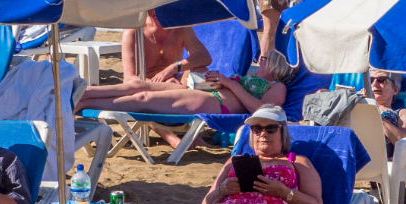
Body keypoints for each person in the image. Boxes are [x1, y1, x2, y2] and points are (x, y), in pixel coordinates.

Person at [78, 49, 293, 148]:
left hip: (216, 104)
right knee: (138, 85)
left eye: (264, 58)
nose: (259, 59)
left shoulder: (277, 86)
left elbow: (261, 111)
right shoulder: (249, 77)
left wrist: (230, 83)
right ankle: (85, 91)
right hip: (205, 92)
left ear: (274, 64)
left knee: (143, 97)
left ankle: (86, 101)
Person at [200, 105, 324, 204]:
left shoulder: (298, 162)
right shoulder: (235, 161)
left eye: (270, 128)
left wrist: (284, 192)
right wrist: (222, 190)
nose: (263, 134)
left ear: (283, 132)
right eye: (257, 129)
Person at [123, 10, 213, 85]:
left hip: (173, 81)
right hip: (145, 85)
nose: (157, 11)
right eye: (154, 6)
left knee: (201, 72)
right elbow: (129, 78)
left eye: (163, 6)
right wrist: (162, 85)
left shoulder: (181, 29)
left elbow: (204, 57)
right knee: (134, 83)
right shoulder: (135, 32)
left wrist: (173, 68)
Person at [368, 70, 406, 155]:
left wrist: (375, 114)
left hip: (385, 165)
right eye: (370, 80)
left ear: (395, 90)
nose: (374, 84)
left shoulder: (402, 113)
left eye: (382, 80)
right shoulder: (356, 106)